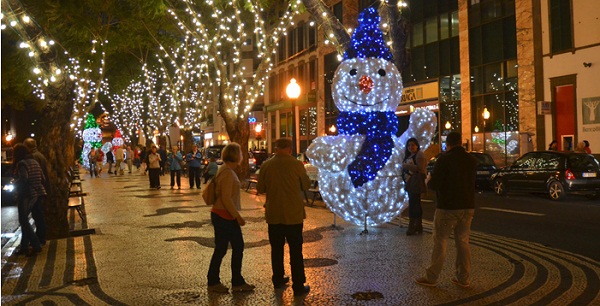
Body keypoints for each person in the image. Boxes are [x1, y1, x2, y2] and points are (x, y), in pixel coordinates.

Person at [416, 132, 477, 288]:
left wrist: (429, 180)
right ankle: (464, 278)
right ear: (460, 143)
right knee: (463, 242)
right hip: (468, 206)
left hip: (448, 207)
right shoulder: (471, 159)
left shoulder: (444, 159)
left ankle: (432, 277)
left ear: (448, 144)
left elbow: (435, 184)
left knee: (440, 241)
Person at [257, 138, 312, 297]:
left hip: (274, 214)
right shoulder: (296, 165)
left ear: (276, 148)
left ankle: (278, 278)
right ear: (289, 148)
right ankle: (298, 284)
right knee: (296, 250)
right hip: (293, 214)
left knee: (276, 249)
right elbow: (306, 186)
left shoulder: (267, 165)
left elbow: (260, 188)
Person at [207, 143, 255, 293]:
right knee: (228, 248)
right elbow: (226, 198)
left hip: (221, 214)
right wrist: (237, 217)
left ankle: (231, 280)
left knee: (226, 248)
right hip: (224, 215)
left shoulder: (225, 170)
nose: (242, 155)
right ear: (236, 155)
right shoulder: (227, 172)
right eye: (240, 152)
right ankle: (220, 281)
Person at [12, 143, 46, 256]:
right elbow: (43, 178)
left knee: (23, 221)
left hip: (27, 195)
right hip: (38, 194)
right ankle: (24, 247)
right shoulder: (34, 161)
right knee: (27, 220)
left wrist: (15, 183)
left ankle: (35, 245)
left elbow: (24, 178)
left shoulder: (22, 163)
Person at [23, 138, 48, 246]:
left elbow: (38, 176)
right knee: (38, 215)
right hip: (40, 190)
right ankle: (39, 237)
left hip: (35, 191)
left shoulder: (33, 158)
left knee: (37, 215)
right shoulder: (40, 155)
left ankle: (39, 238)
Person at [401, 138, 427, 236]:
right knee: (415, 203)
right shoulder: (410, 155)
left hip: (416, 182)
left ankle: (413, 226)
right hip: (410, 182)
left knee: (414, 204)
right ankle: (418, 226)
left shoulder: (419, 155)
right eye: (409, 145)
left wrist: (406, 166)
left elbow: (421, 168)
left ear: (417, 145)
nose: (410, 147)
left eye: (412, 145)